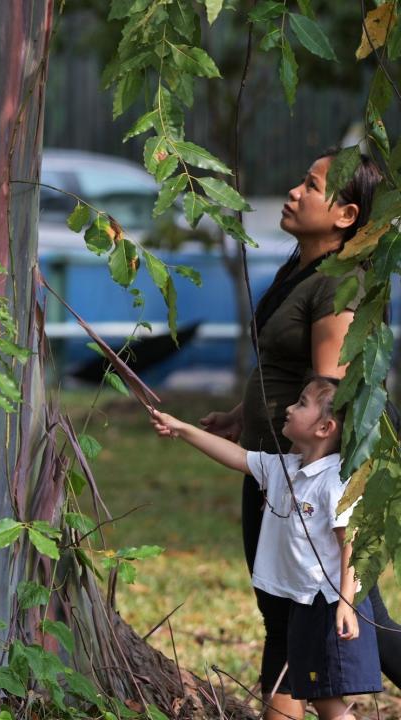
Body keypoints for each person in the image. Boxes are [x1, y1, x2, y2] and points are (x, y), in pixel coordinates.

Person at [200, 151, 401, 716]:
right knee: (289, 615)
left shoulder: (340, 288)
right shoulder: (305, 269)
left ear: (345, 215)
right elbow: (284, 368)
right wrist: (244, 417)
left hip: (303, 485)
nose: (293, 191)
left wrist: (301, 489)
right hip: (276, 470)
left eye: (311, 186)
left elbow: (328, 403)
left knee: (341, 620)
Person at [151, 377, 382, 720]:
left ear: (324, 427)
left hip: (325, 607)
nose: (289, 407)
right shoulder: (285, 468)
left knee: (327, 703)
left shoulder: (334, 483)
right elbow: (236, 456)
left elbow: (352, 545)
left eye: (301, 403)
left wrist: (347, 603)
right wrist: (181, 429)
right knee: (305, 694)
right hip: (299, 603)